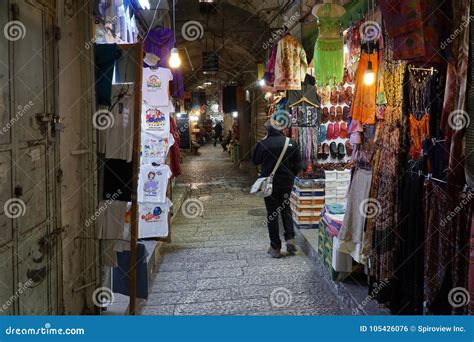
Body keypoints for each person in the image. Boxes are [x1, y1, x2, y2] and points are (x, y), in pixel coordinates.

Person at [251, 120, 303, 258]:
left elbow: (255, 160)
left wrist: (261, 142)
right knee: (286, 209)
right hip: (286, 183)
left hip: (269, 185)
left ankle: (275, 247)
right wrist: (290, 175)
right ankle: (290, 238)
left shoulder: (263, 144)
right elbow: (299, 165)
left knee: (272, 214)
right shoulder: (291, 143)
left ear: (267, 130)